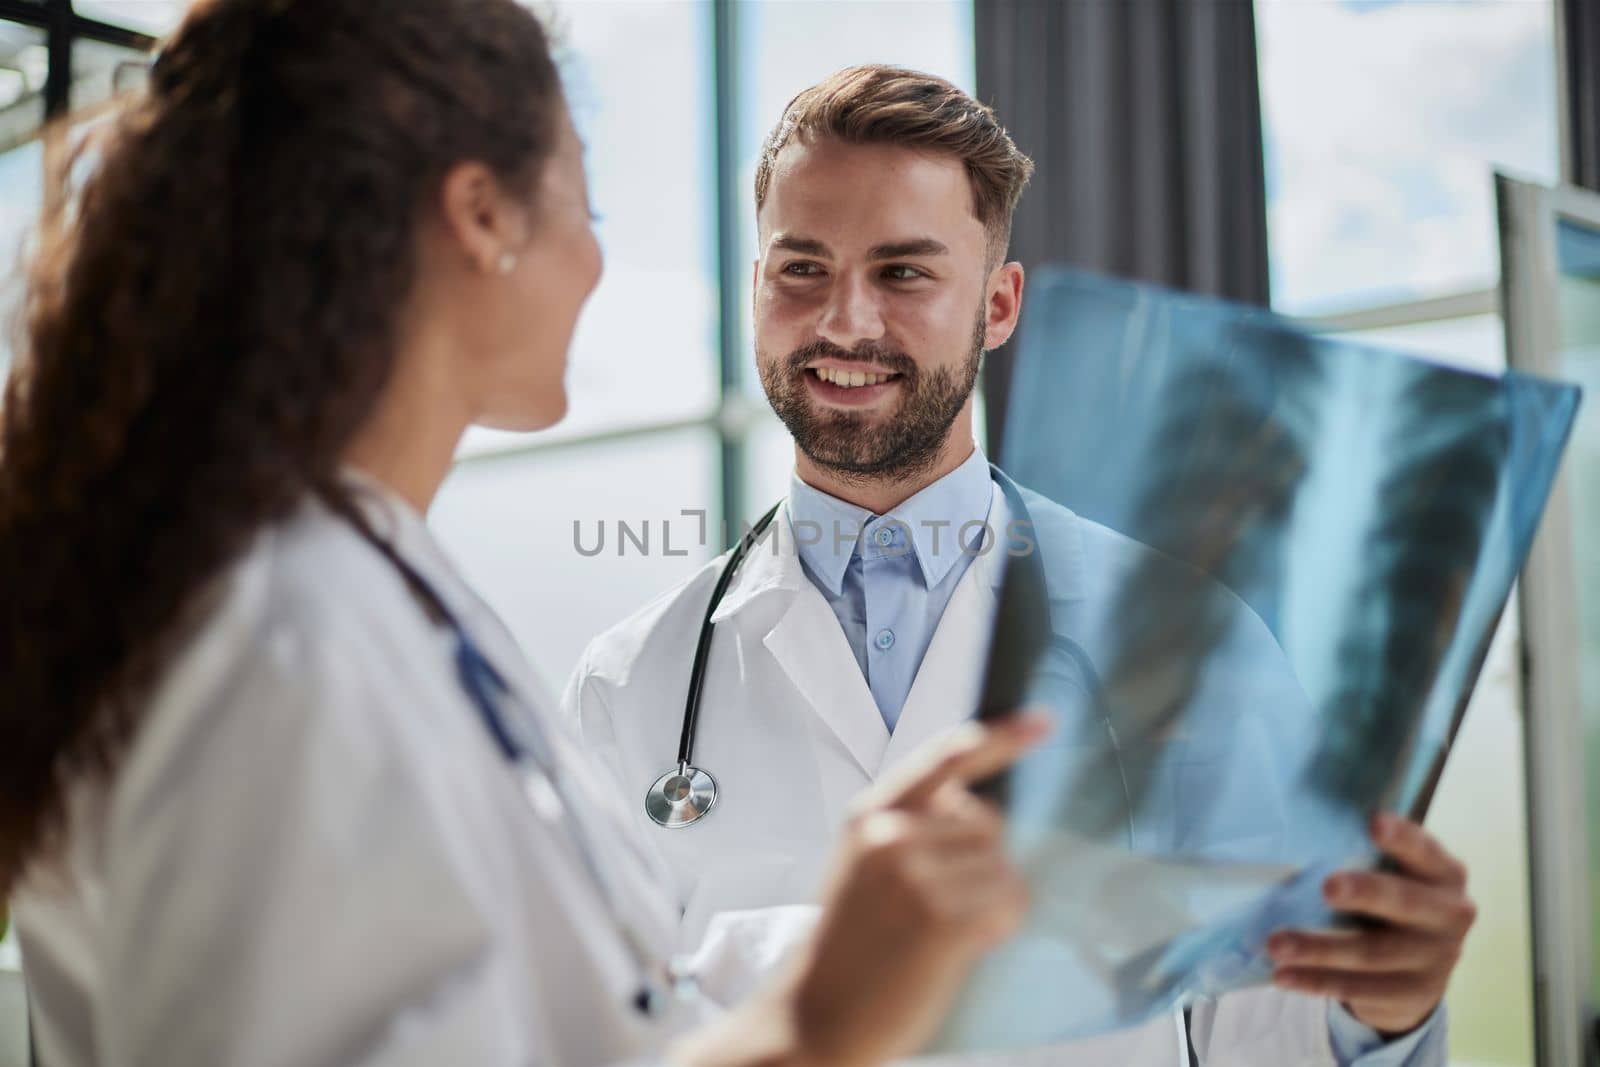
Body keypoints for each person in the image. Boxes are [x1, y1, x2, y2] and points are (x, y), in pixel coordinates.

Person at [0, 5, 1054, 1065]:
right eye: (584, 202)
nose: (597, 259)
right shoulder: (280, 632)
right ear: (481, 216)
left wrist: (860, 942)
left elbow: (598, 1012)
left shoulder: (371, 596)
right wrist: (815, 1022)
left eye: (904, 272)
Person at [563, 66, 1475, 1065]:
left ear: (998, 305)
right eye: (801, 268)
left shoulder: (1187, 637)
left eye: (903, 271)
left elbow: (1270, 1032)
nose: (846, 322)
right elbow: (589, 1034)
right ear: (755, 289)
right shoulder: (630, 682)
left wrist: (1381, 1008)